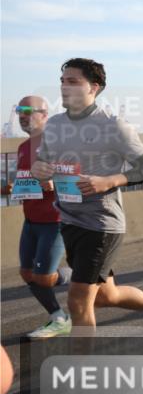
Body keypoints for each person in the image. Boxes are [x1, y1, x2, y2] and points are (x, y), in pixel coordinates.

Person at [30, 58, 143, 337]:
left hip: (101, 224)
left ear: (94, 87)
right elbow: (43, 167)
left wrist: (109, 181)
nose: (64, 87)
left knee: (79, 301)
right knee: (106, 296)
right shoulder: (54, 125)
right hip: (69, 220)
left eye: (73, 82)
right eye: (62, 81)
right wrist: (39, 171)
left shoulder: (113, 125)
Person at [13, 96, 72, 339]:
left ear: (44, 114)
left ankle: (76, 273)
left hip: (54, 222)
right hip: (31, 221)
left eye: (27, 110)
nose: (22, 115)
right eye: (19, 110)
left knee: (44, 277)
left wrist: (54, 183)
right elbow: (25, 182)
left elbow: (75, 181)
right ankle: (58, 317)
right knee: (28, 273)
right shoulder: (23, 147)